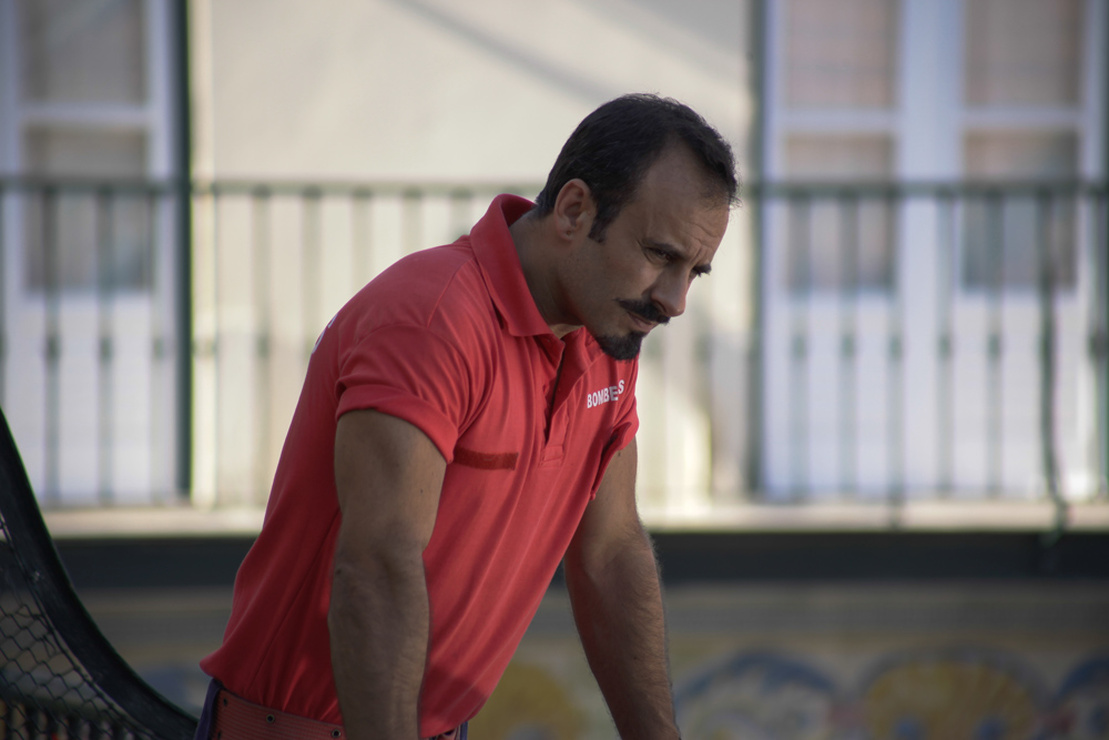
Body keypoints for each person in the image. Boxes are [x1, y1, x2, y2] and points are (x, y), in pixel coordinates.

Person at [195, 93, 738, 740]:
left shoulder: (607, 332)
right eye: (659, 255)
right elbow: (377, 565)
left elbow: (611, 552)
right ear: (574, 210)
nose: (675, 300)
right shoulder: (429, 319)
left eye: (694, 272)